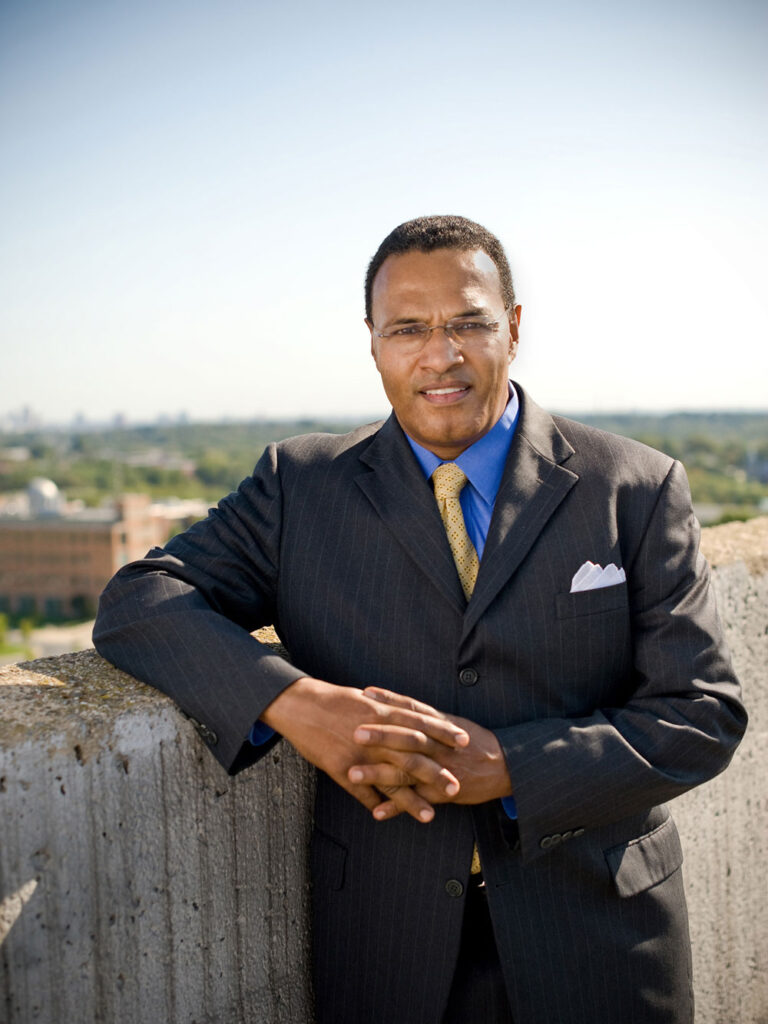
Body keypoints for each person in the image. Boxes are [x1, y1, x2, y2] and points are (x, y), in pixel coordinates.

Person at [93, 214, 747, 1024]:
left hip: (601, 938)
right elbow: (142, 598)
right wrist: (298, 707)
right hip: (385, 941)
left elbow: (704, 715)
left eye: (467, 323)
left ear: (512, 329)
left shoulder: (636, 488)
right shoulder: (299, 486)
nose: (440, 355)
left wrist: (511, 766)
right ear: (372, 342)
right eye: (408, 329)